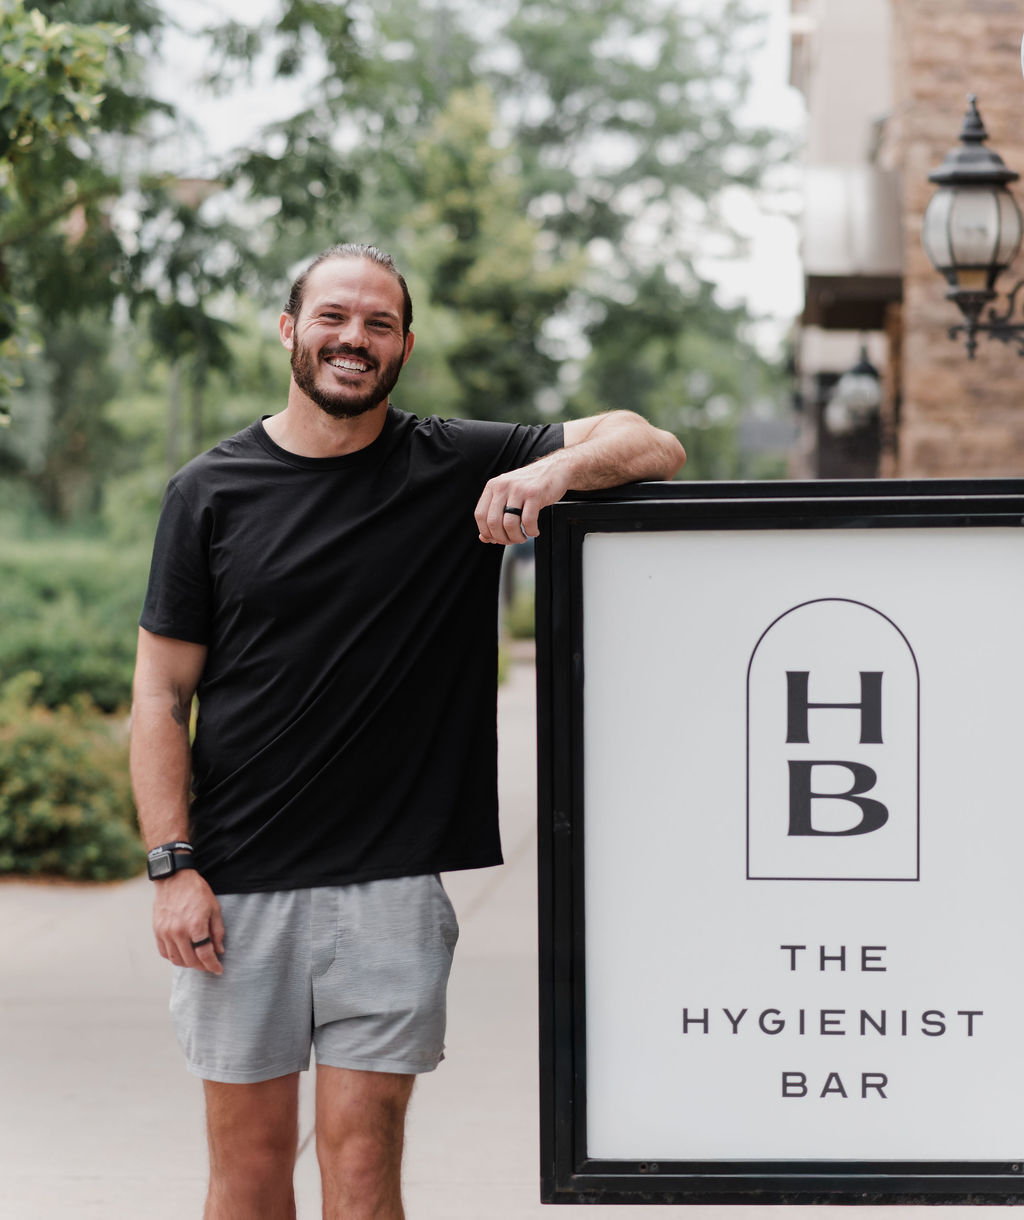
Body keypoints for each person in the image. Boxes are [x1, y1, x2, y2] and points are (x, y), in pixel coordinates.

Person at [130, 242, 685, 1220]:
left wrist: (554, 468)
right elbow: (159, 698)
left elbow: (651, 443)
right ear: (290, 329)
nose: (354, 338)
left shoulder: (455, 460)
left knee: (359, 1166)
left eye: (378, 323)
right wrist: (172, 865)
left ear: (404, 344)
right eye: (334, 316)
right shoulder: (208, 491)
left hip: (390, 885)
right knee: (251, 1170)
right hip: (238, 885)